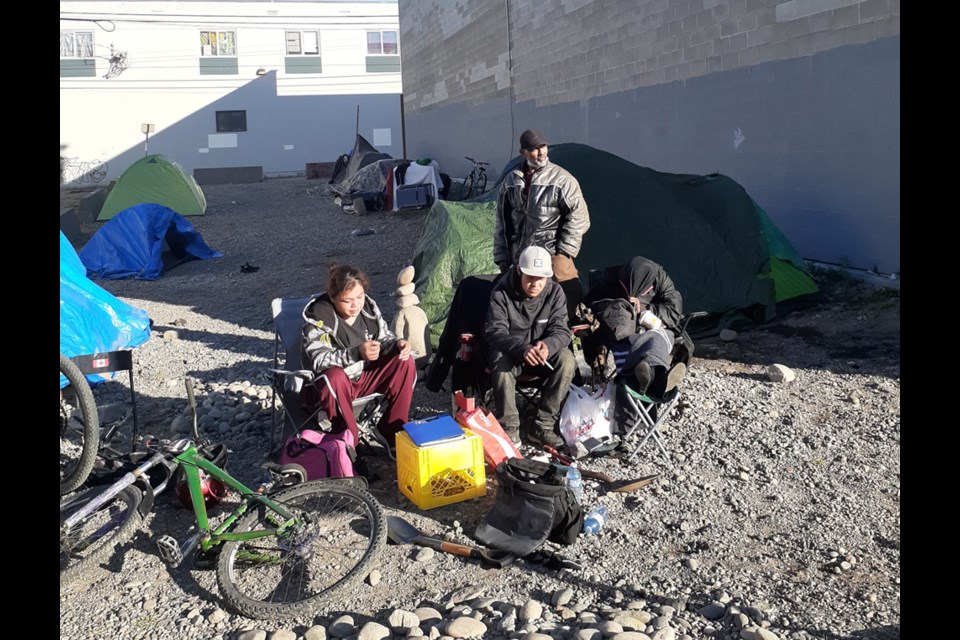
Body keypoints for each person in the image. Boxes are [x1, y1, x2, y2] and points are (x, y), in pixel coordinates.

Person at [301, 264, 416, 451]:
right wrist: (356, 353)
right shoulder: (319, 318)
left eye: (359, 297)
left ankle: (392, 429)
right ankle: (348, 444)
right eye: (347, 301)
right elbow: (318, 360)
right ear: (333, 298)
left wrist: (397, 344)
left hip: (363, 377)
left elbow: (384, 338)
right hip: (330, 388)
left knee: (404, 360)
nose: (355, 305)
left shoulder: (368, 308)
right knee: (334, 377)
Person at [484, 245, 575, 447]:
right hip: (512, 353)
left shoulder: (555, 292)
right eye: (530, 277)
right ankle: (509, 427)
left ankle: (542, 425)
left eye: (540, 278)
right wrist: (522, 349)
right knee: (499, 360)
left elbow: (562, 331)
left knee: (567, 359)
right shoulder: (501, 292)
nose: (535, 283)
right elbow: (495, 332)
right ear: (519, 271)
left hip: (543, 356)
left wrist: (548, 346)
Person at [494, 128, 590, 316]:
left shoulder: (562, 179)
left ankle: (575, 336)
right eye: (535, 149)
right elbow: (502, 221)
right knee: (517, 304)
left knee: (569, 300)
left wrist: (564, 252)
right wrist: (502, 256)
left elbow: (580, 216)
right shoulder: (511, 181)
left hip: (553, 253)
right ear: (523, 153)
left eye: (543, 146)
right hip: (522, 256)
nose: (541, 152)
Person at [584, 256, 686, 396]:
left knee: (661, 336)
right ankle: (651, 379)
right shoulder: (611, 277)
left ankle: (651, 374)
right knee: (630, 341)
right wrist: (619, 307)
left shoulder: (659, 278)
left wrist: (644, 308)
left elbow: (674, 311)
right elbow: (591, 303)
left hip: (651, 328)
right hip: (619, 330)